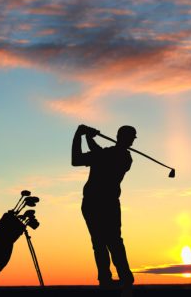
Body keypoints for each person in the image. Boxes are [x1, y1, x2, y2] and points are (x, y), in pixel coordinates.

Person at [71, 123, 135, 287]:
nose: (130, 142)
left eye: (131, 139)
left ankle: (123, 278)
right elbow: (76, 159)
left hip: (106, 204)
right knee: (100, 242)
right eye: (130, 138)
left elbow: (100, 156)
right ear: (123, 138)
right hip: (94, 203)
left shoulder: (125, 158)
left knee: (112, 241)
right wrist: (81, 136)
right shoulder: (108, 154)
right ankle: (107, 279)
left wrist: (84, 135)